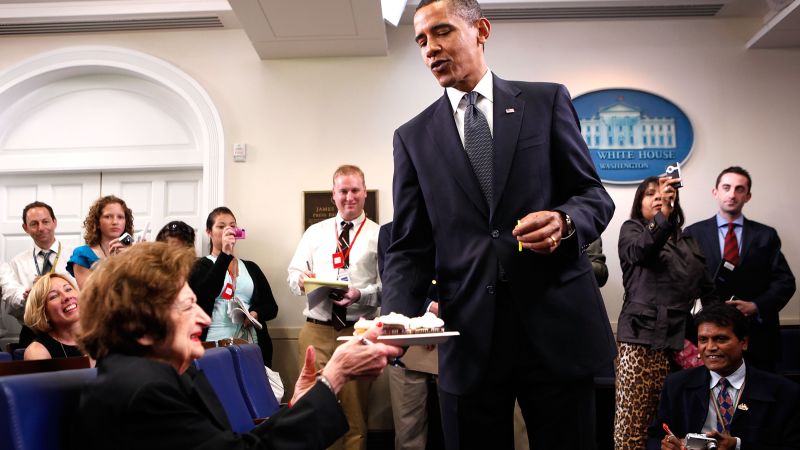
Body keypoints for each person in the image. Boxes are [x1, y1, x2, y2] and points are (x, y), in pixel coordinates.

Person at [381, 1, 616, 448]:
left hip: (556, 328)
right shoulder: (411, 137)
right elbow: (410, 246)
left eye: (442, 32)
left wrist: (565, 222)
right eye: (421, 41)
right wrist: (395, 322)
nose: (430, 49)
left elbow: (593, 196)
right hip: (468, 338)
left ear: (481, 30)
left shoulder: (546, 102)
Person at [74, 242, 402, 450]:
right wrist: (334, 378)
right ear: (138, 325)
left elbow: (232, 444)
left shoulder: (168, 374)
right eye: (189, 305)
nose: (204, 318)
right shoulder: (143, 390)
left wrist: (298, 405)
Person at [615, 176, 719, 449]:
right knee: (633, 426)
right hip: (642, 340)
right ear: (640, 203)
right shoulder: (632, 230)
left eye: (662, 193)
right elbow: (642, 252)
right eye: (650, 194)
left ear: (674, 200)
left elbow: (707, 290)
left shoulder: (690, 242)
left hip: (684, 341)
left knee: (679, 423)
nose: (657, 197)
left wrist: (720, 323)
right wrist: (662, 217)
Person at [287, 164, 381, 450]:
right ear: (333, 194)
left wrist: (359, 294)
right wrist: (301, 280)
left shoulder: (380, 235)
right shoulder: (315, 233)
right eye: (343, 191)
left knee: (354, 417)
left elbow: (388, 288)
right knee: (317, 413)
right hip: (316, 332)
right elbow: (292, 276)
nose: (349, 197)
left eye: (355, 190)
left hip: (357, 332)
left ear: (364, 193)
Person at [683, 166, 795, 372]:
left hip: (757, 338)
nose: (732, 194)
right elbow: (683, 283)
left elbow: (785, 282)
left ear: (748, 196)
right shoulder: (693, 233)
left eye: (739, 189)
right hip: (708, 336)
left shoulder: (765, 235)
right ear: (715, 192)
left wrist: (756, 306)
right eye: (727, 187)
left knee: (759, 398)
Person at [647, 304, 800, 450]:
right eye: (703, 340)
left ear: (744, 343)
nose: (711, 347)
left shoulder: (784, 392)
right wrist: (665, 446)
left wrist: (738, 446)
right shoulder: (676, 385)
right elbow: (655, 437)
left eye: (721, 339)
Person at [378, 221, 443, 450]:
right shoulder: (389, 232)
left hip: (454, 337)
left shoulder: (457, 222)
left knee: (460, 426)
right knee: (409, 432)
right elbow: (393, 282)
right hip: (409, 339)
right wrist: (428, 314)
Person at [188, 207, 278, 366]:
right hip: (212, 344)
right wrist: (225, 255)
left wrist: (255, 313)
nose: (227, 231)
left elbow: (272, 307)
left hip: (249, 343)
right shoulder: (199, 265)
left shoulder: (251, 268)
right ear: (209, 232)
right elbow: (204, 296)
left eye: (232, 226)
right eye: (221, 226)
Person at [1, 201, 75, 345]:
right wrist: (27, 299)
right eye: (34, 224)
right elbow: (10, 306)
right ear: (25, 228)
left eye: (45, 221)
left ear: (54, 222)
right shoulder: (17, 263)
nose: (41, 228)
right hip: (32, 334)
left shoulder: (75, 256)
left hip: (71, 331)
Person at [67, 195, 134, 289]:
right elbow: (90, 294)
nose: (115, 222)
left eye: (120, 217)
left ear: (126, 221)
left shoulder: (133, 253)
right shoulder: (83, 254)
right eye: (108, 217)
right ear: (97, 223)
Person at [22, 273, 84, 360]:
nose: (66, 297)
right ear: (43, 313)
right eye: (54, 296)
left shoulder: (105, 335)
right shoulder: (37, 352)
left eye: (68, 289)